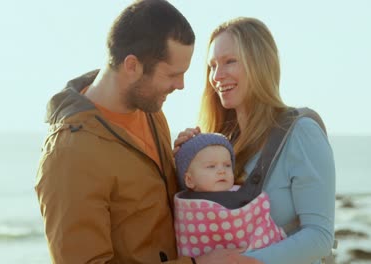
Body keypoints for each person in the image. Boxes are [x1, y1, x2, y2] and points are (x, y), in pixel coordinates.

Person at [35, 1, 261, 263]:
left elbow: (151, 208)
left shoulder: (150, 111)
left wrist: (187, 167)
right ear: (132, 66)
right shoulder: (70, 155)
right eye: (172, 75)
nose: (181, 85)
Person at [174, 17, 336, 264]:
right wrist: (181, 164)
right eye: (212, 66)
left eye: (230, 61)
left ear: (259, 64)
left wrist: (237, 262)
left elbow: (319, 237)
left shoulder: (301, 133)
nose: (217, 76)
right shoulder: (217, 144)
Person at [173, 133, 286, 257]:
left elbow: (259, 221)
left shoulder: (245, 196)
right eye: (211, 166)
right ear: (189, 180)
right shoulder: (186, 207)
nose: (222, 171)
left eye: (227, 165)